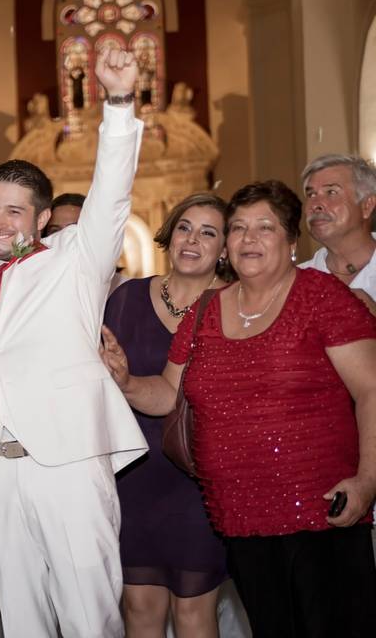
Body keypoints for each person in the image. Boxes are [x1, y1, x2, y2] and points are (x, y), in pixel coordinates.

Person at [101, 180, 376, 636]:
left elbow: (370, 389)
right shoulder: (207, 309)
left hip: (321, 512)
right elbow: (169, 394)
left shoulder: (323, 296)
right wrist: (126, 381)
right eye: (239, 228)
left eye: (264, 228)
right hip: (239, 517)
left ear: (291, 241)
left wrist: (368, 480)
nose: (249, 239)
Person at [0, 48, 147, 637]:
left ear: (40, 220)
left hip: (66, 462)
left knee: (90, 616)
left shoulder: (75, 259)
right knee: (21, 619)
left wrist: (117, 102)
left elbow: (112, 188)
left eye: (14, 211)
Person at [102, 193, 231, 638]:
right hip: (133, 471)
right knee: (139, 607)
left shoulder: (233, 307)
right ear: (169, 235)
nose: (192, 240)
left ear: (226, 248)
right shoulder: (126, 299)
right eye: (184, 228)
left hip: (200, 475)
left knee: (194, 611)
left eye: (208, 232)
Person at [299, 154, 376, 307]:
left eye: (331, 192)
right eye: (311, 194)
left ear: (367, 205)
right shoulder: (295, 283)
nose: (316, 205)